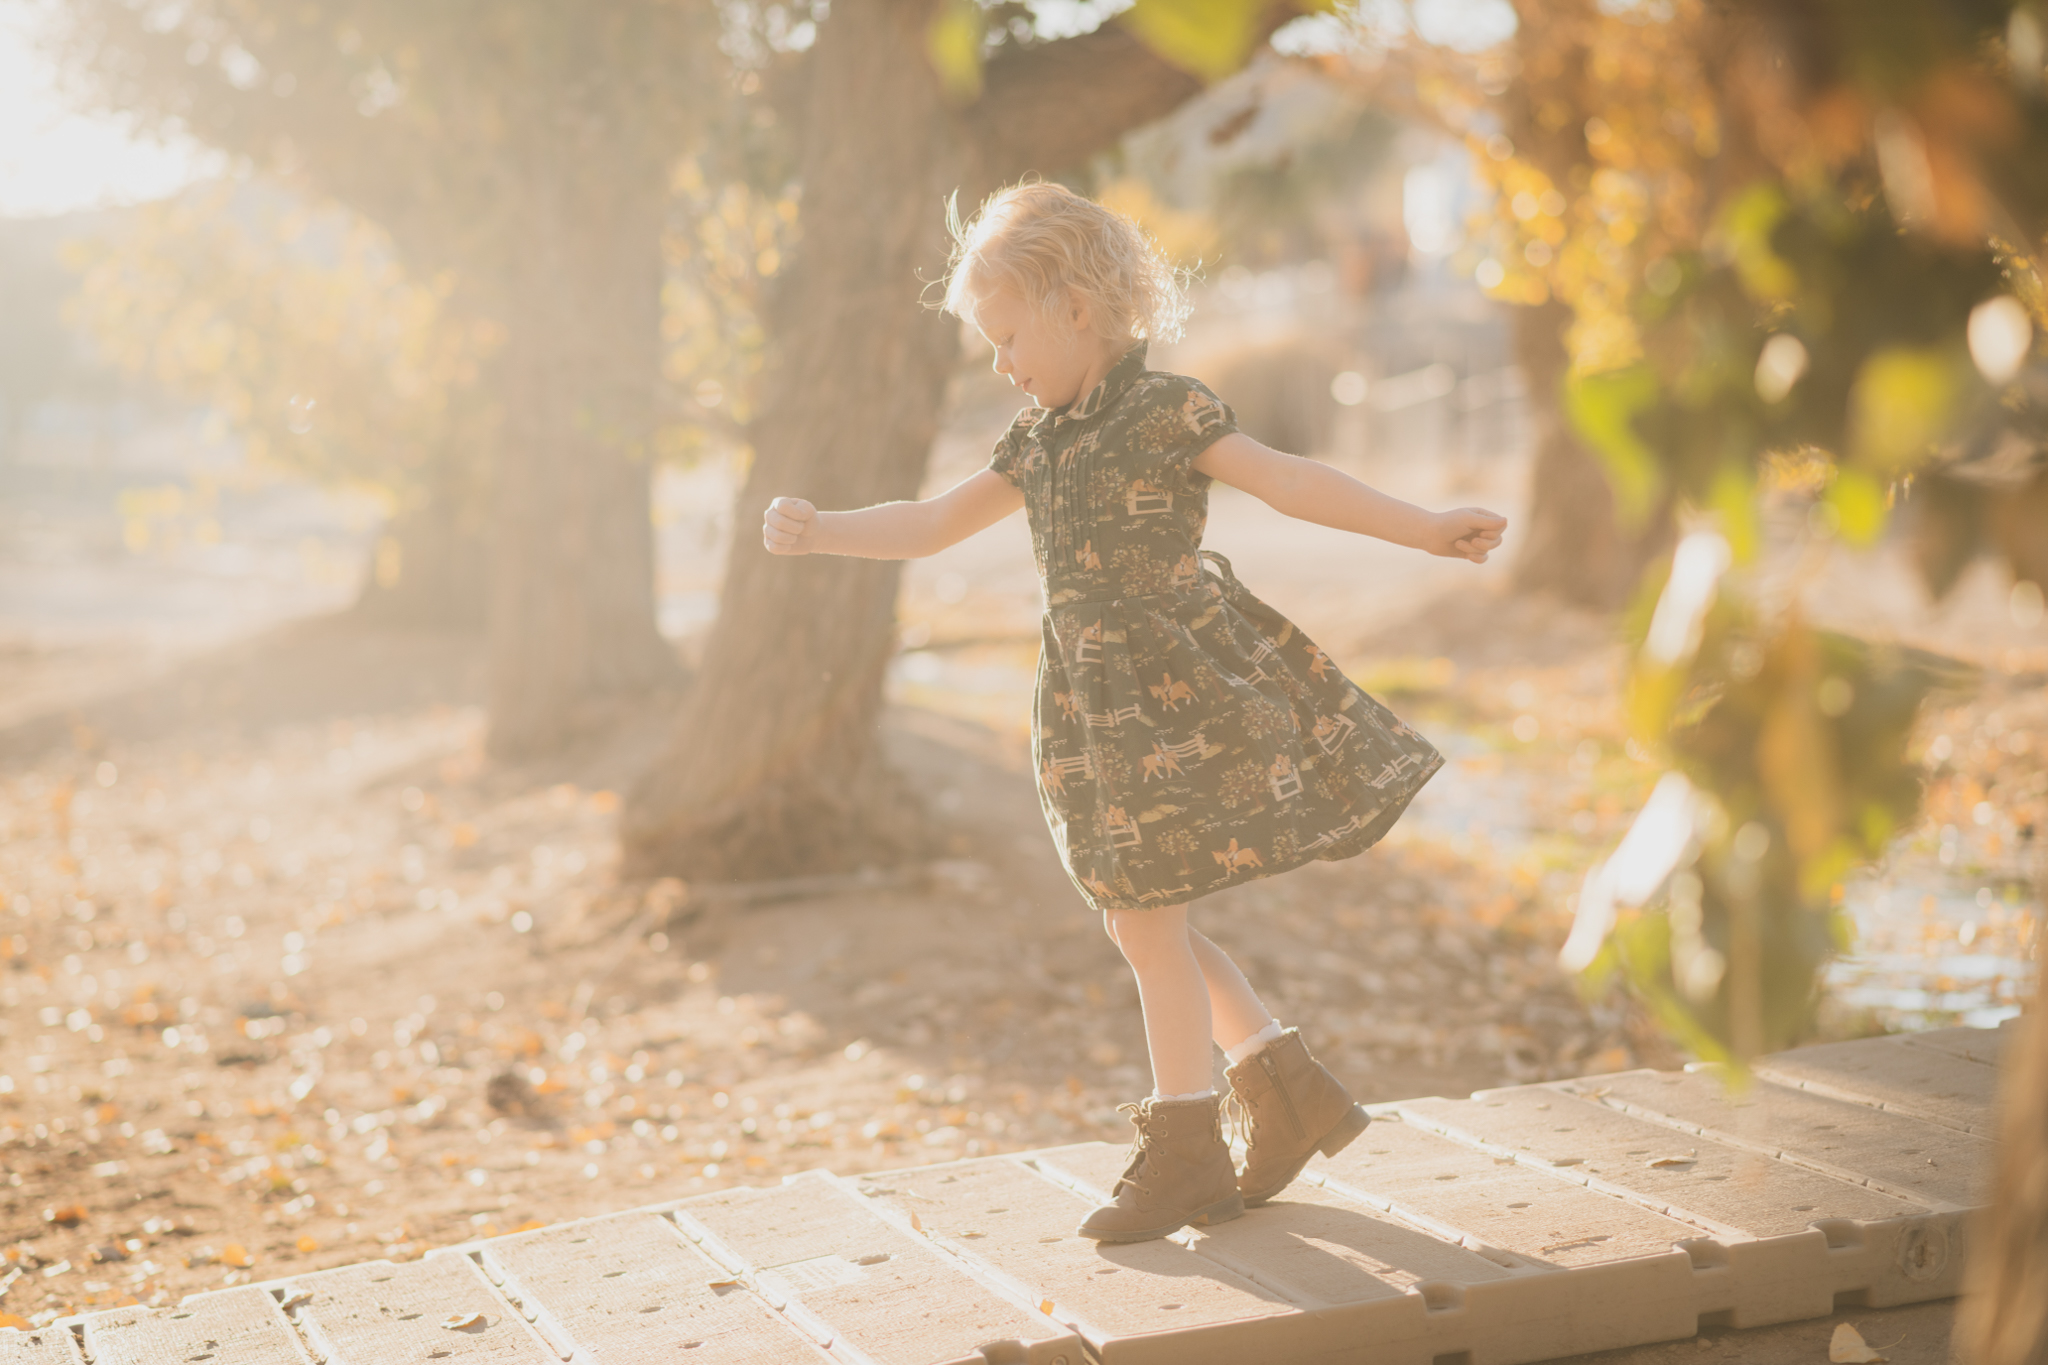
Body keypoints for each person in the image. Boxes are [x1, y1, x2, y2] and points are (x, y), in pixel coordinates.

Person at [762, 181, 1506, 1244]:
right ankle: (1278, 1083)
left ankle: (1186, 1145)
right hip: (1089, 704)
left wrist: (1423, 525)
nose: (998, 362)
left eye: (1007, 334)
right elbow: (927, 524)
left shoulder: (1167, 413)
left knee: (1147, 921)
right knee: (1133, 912)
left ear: (1075, 307)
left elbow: (1291, 481)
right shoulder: (1034, 441)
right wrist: (823, 529)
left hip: (1171, 695)